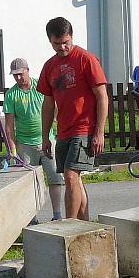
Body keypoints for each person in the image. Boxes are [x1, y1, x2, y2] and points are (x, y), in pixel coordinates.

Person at [38, 17, 108, 221]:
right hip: (64, 131)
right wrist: (45, 137)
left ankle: (69, 226)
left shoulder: (86, 59)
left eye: (65, 42)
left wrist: (99, 132)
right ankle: (85, 225)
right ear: (50, 41)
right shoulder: (49, 66)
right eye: (56, 43)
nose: (62, 47)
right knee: (74, 181)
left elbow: (102, 96)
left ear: (71, 37)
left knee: (70, 176)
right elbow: (48, 104)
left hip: (85, 128)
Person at [3, 57, 64, 221]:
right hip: (25, 144)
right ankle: (32, 218)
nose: (18, 78)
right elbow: (9, 124)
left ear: (28, 71)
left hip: (47, 140)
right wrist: (13, 147)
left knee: (55, 178)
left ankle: (57, 214)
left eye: (21, 74)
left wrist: (57, 126)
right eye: (15, 75)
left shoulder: (41, 86)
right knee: (29, 182)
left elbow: (55, 107)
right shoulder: (11, 95)